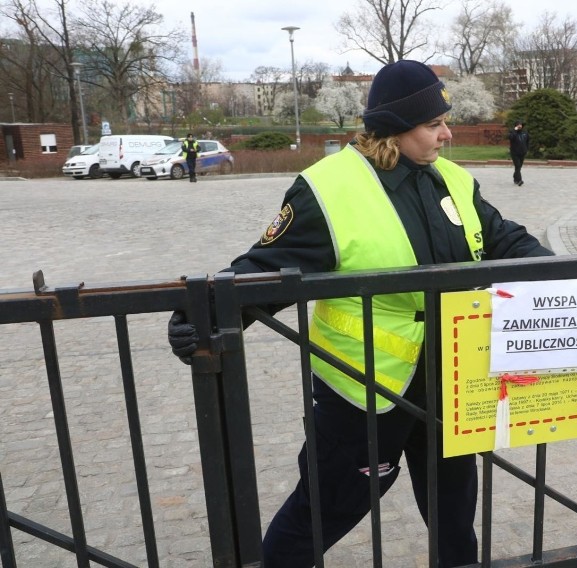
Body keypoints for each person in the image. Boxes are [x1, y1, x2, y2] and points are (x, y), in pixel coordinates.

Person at [167, 59, 553, 567]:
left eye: (445, 121)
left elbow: (500, 236)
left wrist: (560, 271)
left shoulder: (452, 180)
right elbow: (264, 268)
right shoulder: (329, 190)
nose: (447, 133)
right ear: (396, 128)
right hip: (365, 388)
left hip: (450, 382)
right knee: (325, 510)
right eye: (434, 124)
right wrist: (207, 312)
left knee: (455, 513)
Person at [508, 121, 529, 186]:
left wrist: (526, 149)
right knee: (517, 166)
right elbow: (510, 137)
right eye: (518, 125)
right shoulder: (513, 132)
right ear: (515, 126)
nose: (519, 126)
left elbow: (527, 142)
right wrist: (514, 130)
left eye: (520, 125)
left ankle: (515, 178)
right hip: (515, 153)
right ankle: (519, 180)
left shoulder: (525, 133)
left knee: (519, 167)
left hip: (522, 152)